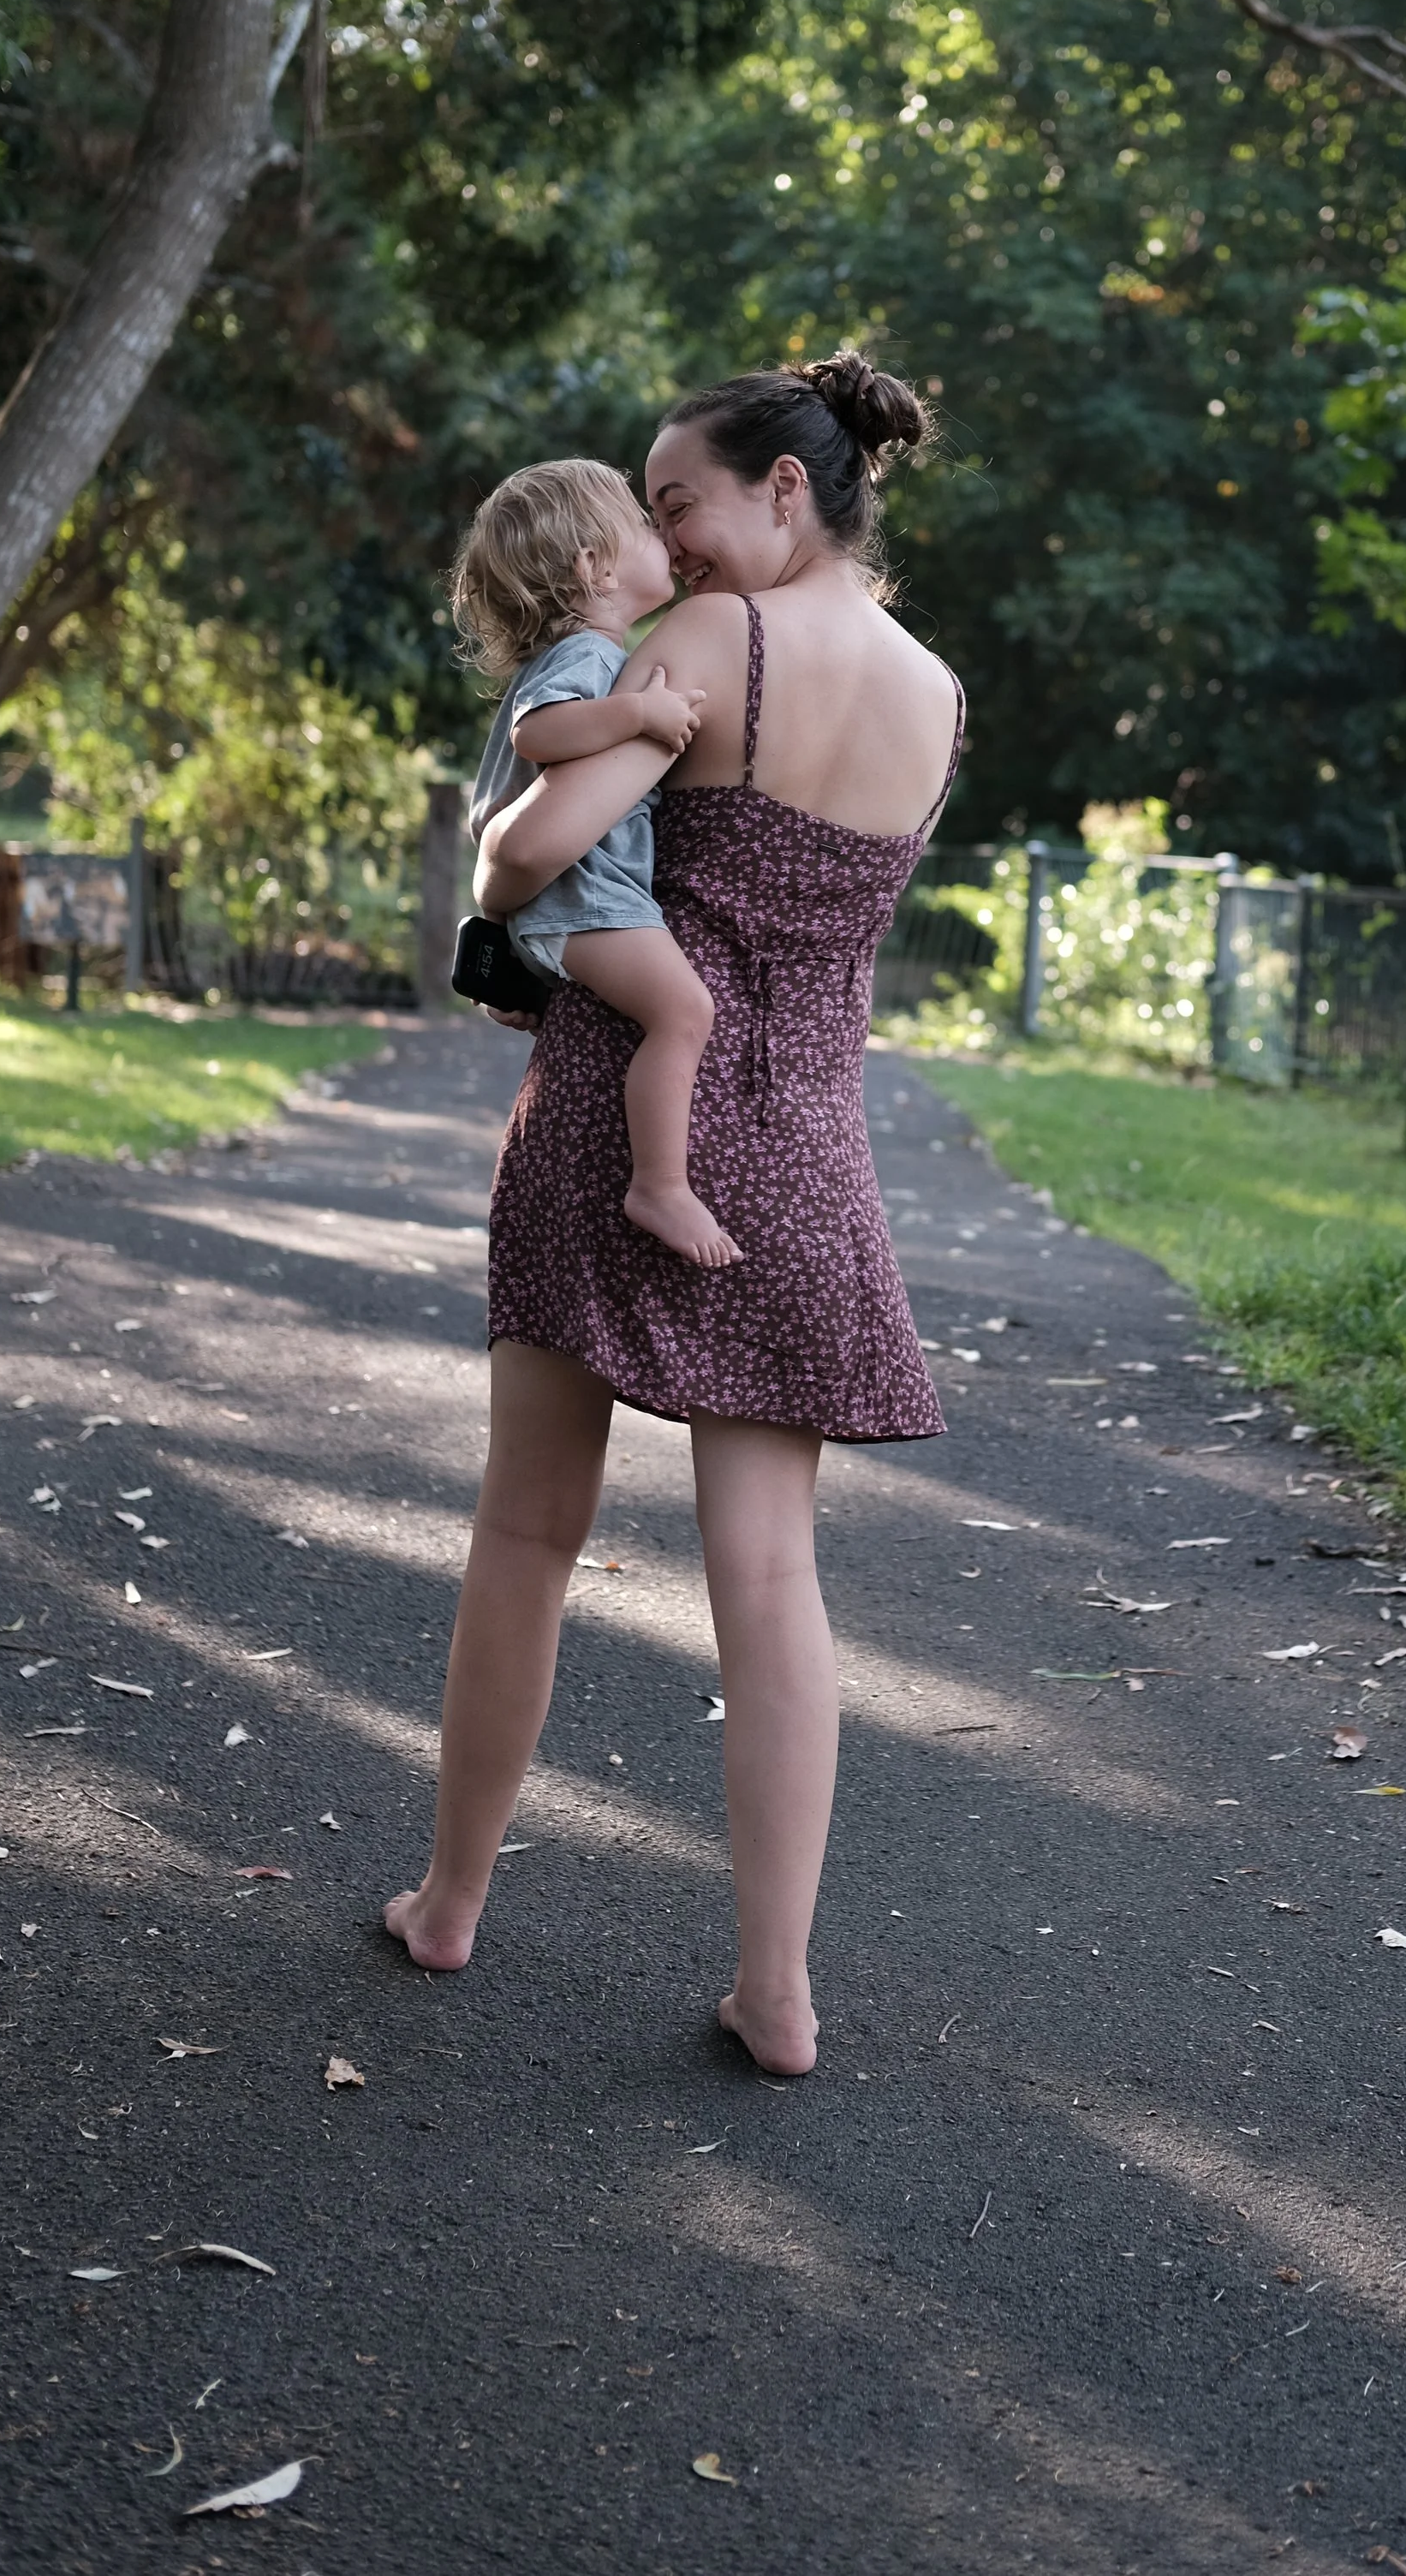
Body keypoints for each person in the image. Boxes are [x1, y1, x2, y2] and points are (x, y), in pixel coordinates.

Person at [386, 352, 964, 2078]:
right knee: (771, 1577)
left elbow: (523, 852)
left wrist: (512, 870)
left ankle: (451, 1902)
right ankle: (776, 1992)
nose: (667, 540)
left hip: (611, 1123)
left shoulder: (709, 646)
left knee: (526, 1534)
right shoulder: (934, 691)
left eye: (679, 503)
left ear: (785, 491)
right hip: (797, 1148)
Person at [453, 458, 738, 1269]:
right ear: (594, 567)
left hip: (577, 900)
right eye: (646, 525)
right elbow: (539, 736)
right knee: (685, 1014)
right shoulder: (585, 656)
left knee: (671, 1012)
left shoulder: (590, 652)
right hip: (585, 900)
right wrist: (641, 714)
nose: (664, 538)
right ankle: (659, 1186)